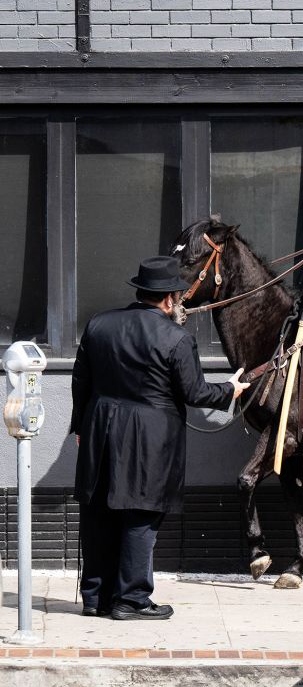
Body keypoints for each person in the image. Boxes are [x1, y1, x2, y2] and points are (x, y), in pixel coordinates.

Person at [71, 256, 250, 620]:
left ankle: (96, 597)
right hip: (149, 436)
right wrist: (229, 390)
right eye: (179, 298)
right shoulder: (176, 337)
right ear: (169, 299)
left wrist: (78, 426)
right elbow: (196, 393)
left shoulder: (99, 324)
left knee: (99, 513)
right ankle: (132, 600)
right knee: (141, 514)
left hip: (100, 428)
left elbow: (81, 382)